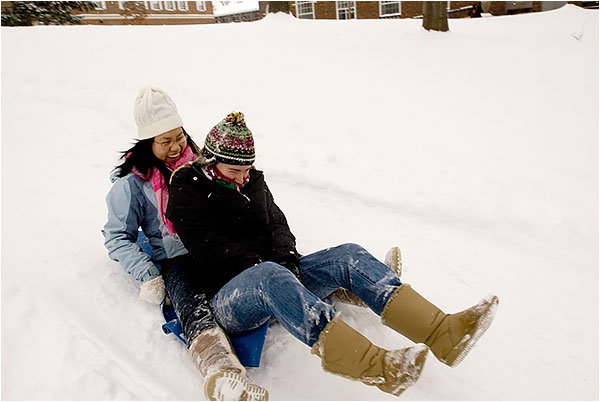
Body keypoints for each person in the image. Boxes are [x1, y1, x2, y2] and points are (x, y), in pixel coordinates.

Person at [166, 111, 499, 397]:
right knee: (271, 276)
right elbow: (211, 251)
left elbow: (278, 224)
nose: (243, 178)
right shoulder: (187, 191)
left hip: (275, 276)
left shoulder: (252, 180)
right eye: (234, 172)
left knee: (348, 256)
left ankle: (444, 333)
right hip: (229, 296)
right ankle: (378, 367)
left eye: (247, 170)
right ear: (209, 162)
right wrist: (271, 267)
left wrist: (284, 258)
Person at [102, 89, 268, 401]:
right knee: (194, 306)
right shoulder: (131, 185)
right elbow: (116, 236)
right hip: (176, 259)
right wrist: (147, 274)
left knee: (267, 270)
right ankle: (224, 378)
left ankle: (346, 281)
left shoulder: (200, 164)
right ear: (147, 143)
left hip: (215, 244)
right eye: (165, 141)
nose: (177, 147)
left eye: (179, 136)